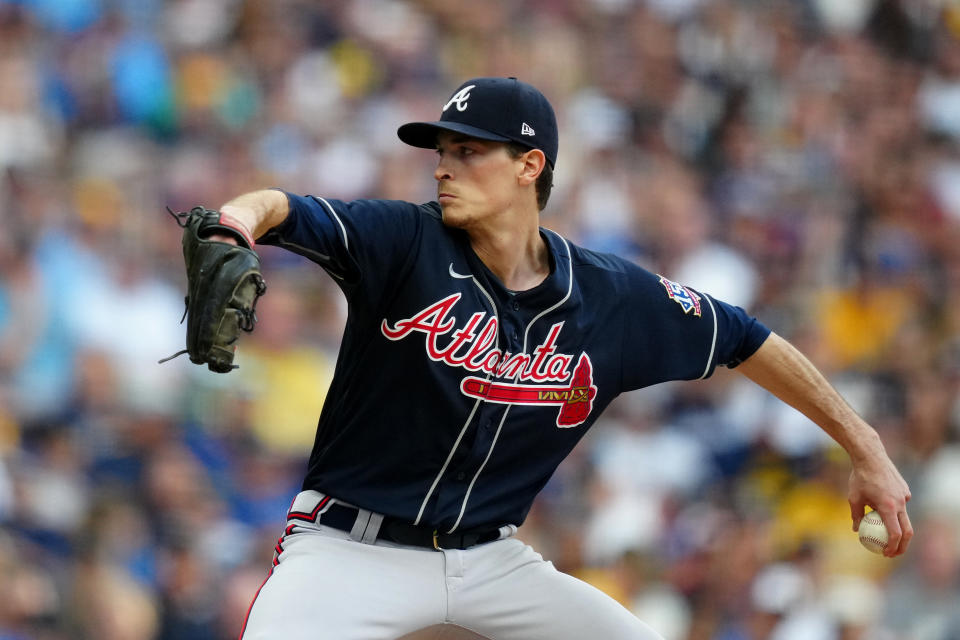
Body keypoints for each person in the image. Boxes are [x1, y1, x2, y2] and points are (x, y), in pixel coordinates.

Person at [203, 77, 912, 640]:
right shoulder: (403, 241)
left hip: (489, 559)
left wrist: (866, 447)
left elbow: (746, 340)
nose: (444, 168)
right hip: (347, 551)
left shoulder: (610, 297)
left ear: (529, 166)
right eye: (442, 152)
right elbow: (279, 207)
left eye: (468, 152)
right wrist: (231, 227)